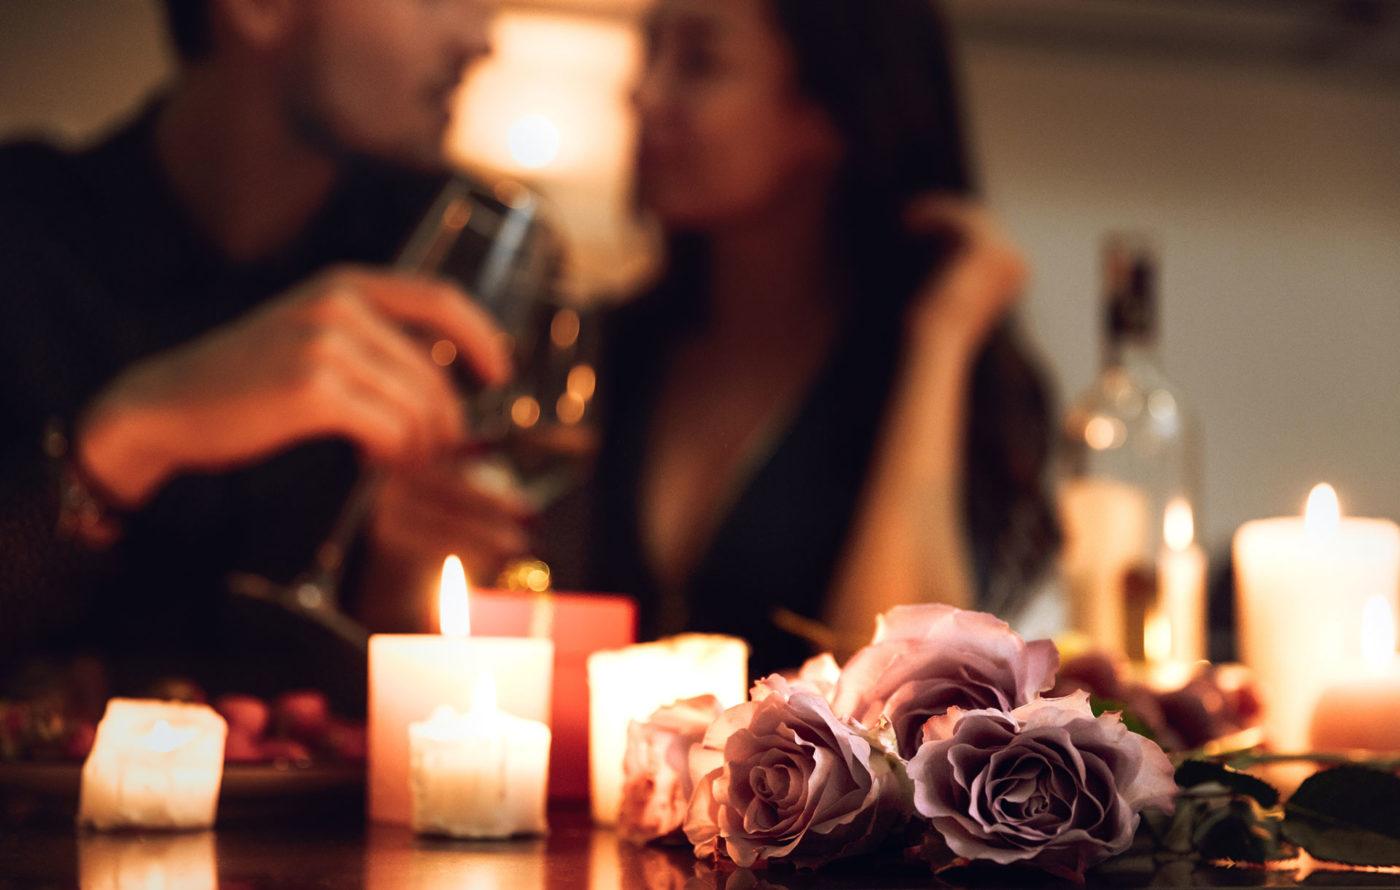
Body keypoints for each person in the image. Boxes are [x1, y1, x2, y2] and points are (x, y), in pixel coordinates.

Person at [0, 0, 531, 705]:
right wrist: (131, 434)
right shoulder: (24, 231)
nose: (479, 38)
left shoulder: (447, 258)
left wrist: (398, 603)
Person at [583, 0, 1060, 674]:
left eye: (699, 62)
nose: (643, 93)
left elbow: (899, 694)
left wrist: (942, 340)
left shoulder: (929, 378)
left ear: (831, 113)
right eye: (649, 53)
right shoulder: (598, 353)